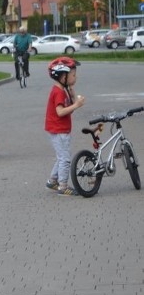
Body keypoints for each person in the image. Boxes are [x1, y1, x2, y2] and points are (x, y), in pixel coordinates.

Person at [44, 57, 85, 196]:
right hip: (58, 129)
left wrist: (74, 96)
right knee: (65, 159)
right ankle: (63, 186)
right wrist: (76, 105)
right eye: (73, 75)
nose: (76, 77)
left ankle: (52, 181)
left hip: (61, 129)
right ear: (63, 76)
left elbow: (71, 106)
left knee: (61, 157)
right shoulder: (58, 92)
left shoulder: (63, 89)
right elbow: (60, 112)